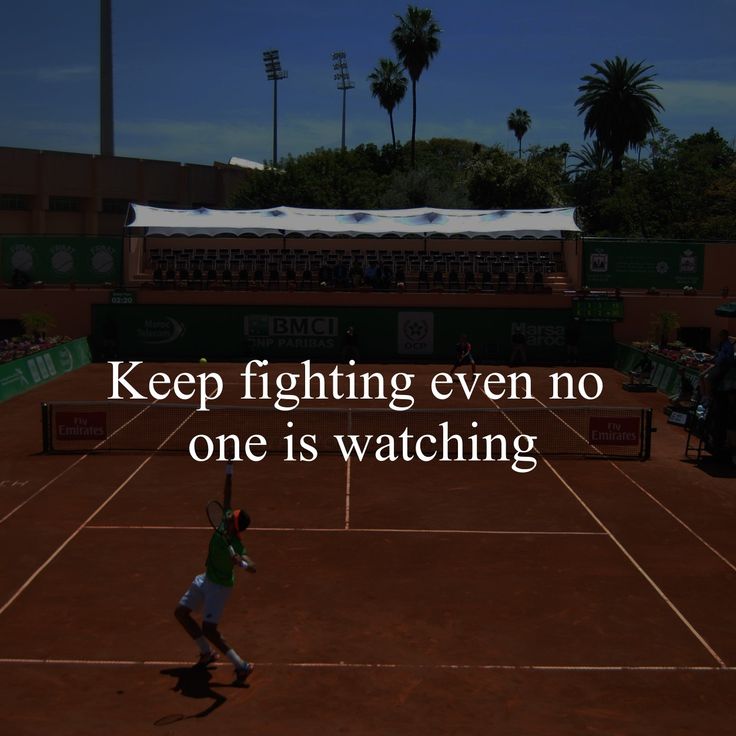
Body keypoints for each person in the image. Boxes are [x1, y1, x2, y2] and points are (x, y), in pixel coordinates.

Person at [174, 460, 256, 685]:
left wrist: (241, 563)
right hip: (205, 578)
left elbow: (253, 565)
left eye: (232, 517)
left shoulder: (237, 544)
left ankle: (242, 665)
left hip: (219, 587)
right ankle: (206, 653)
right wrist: (229, 467)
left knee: (210, 630)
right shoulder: (224, 522)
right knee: (181, 613)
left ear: (235, 525)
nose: (229, 515)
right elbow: (227, 493)